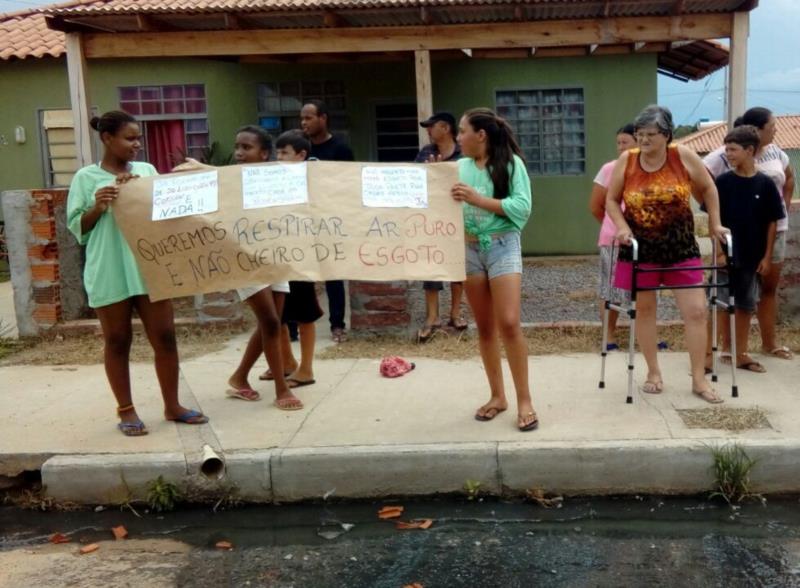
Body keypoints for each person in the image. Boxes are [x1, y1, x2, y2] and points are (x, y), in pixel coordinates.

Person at [66, 110, 208, 436]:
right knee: (117, 340)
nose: (137, 145)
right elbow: (78, 229)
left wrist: (141, 191)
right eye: (130, 138)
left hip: (148, 267)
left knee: (166, 337)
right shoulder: (86, 179)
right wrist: (98, 206)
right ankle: (126, 410)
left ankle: (172, 405)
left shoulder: (146, 171)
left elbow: (164, 213)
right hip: (109, 269)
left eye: (139, 138)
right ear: (107, 139)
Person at [606, 105, 729, 404]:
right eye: (640, 134)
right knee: (646, 311)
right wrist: (621, 227)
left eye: (651, 134)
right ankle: (653, 372)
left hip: (680, 247)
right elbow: (611, 199)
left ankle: (699, 378)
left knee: (697, 311)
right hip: (641, 247)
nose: (644, 140)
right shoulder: (628, 161)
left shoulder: (682, 156)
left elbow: (709, 188)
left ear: (667, 135)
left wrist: (715, 223)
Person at [451, 108, 538, 432]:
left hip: (503, 246)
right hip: (468, 249)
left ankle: (525, 400)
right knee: (485, 328)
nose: (458, 137)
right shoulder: (457, 167)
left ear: (481, 135)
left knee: (510, 323)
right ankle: (497, 396)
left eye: (462, 131)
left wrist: (477, 199)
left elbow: (521, 207)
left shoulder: (511, 165)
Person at [704, 107, 796, 361]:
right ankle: (719, 351)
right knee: (721, 298)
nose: (776, 130)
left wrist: (782, 208)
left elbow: (786, 184)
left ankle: (751, 349)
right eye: (772, 126)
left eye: (733, 150)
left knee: (752, 296)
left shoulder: (771, 166)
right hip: (732, 244)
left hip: (762, 242)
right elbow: (706, 193)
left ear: (750, 150)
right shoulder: (722, 172)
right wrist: (720, 246)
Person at [223, 126, 302, 411]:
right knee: (269, 321)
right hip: (244, 257)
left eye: (247, 148)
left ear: (264, 154)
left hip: (276, 254)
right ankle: (281, 388)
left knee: (272, 322)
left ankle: (239, 377)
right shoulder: (228, 181)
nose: (239, 153)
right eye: (238, 147)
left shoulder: (278, 181)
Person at [301, 99, 354, 343]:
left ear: (323, 118)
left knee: (333, 275)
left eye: (309, 118)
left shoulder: (341, 150)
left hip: (331, 220)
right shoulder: (301, 150)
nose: (304, 123)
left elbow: (350, 184)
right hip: (303, 220)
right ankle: (297, 326)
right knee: (301, 276)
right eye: (302, 119)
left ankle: (337, 325)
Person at [274, 130, 324, 388]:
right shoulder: (270, 180)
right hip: (277, 254)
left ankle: (306, 369)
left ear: (302, 155)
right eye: (277, 152)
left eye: (285, 153)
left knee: (305, 314)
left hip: (302, 256)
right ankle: (287, 363)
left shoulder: (313, 180)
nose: (279, 157)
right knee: (278, 313)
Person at [415, 112, 467, 341]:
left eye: (431, 126)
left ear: (445, 128)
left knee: (458, 264)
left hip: (459, 216)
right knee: (431, 264)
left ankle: (455, 313)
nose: (428, 130)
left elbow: (467, 181)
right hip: (432, 219)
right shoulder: (425, 153)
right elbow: (414, 180)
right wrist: (432, 175)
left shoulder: (463, 153)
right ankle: (432, 317)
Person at [588, 124, 637, 350]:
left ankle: (645, 336)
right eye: (618, 142)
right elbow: (596, 206)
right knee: (611, 289)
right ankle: (608, 336)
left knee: (644, 290)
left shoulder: (649, 170)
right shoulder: (609, 169)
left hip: (645, 241)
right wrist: (614, 226)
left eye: (625, 142)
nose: (620, 147)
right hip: (614, 239)